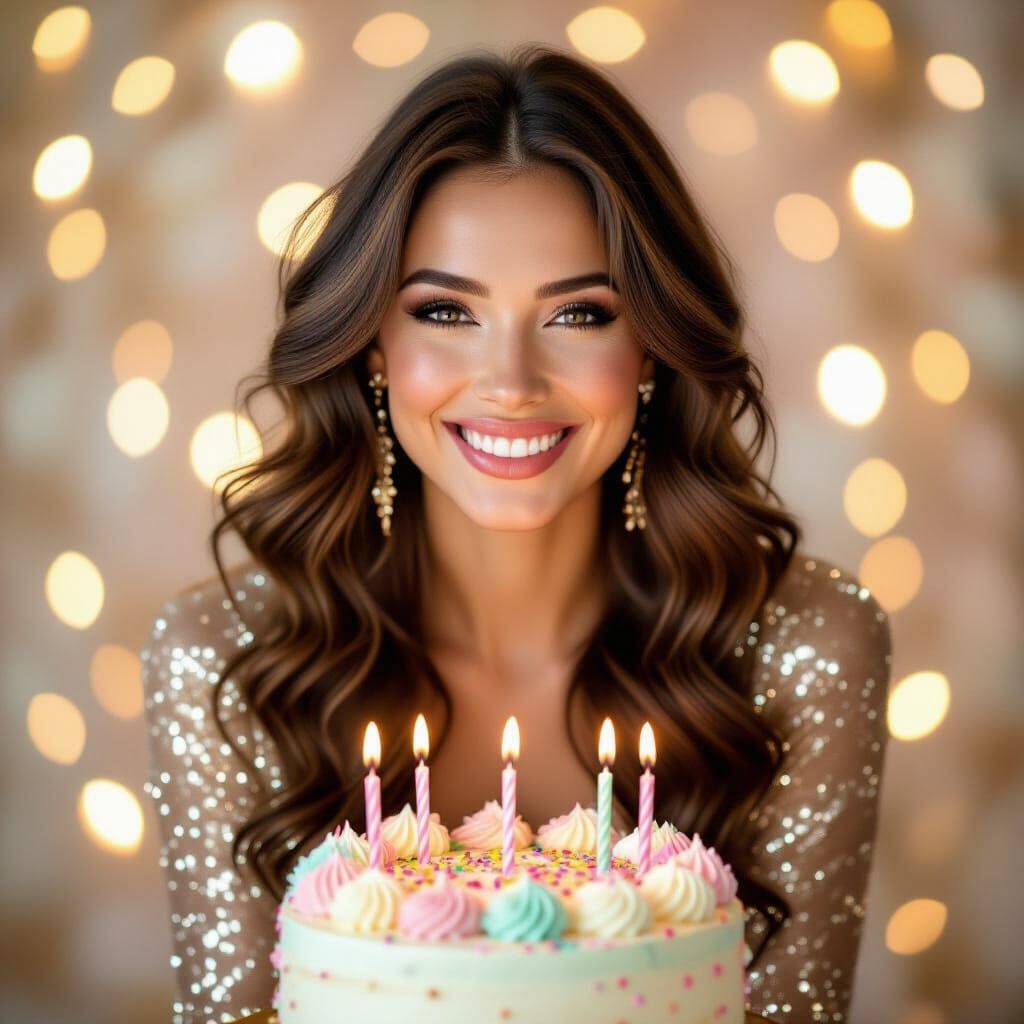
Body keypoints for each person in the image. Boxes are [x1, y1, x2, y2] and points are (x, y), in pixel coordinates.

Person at [141, 44, 892, 1024]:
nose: (509, 381)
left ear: (653, 350)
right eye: (446, 310)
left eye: (578, 312)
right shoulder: (226, 667)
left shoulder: (806, 648)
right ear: (374, 343)